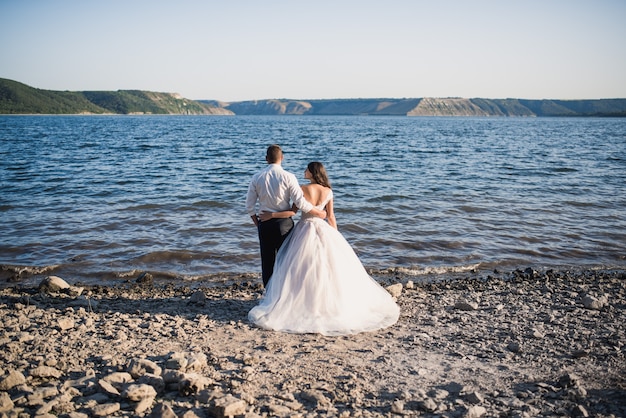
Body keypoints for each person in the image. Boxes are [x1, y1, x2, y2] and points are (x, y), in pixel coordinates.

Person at [248, 162, 400, 336]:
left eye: (306, 169)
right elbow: (331, 216)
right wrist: (336, 236)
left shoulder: (302, 188)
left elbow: (292, 212)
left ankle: (301, 302)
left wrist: (271, 215)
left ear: (312, 172)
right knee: (325, 268)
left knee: (300, 268)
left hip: (304, 229)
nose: (304, 171)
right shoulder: (328, 191)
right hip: (323, 229)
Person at [246, 145, 326, 287]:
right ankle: (284, 292)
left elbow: (249, 206)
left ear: (266, 159)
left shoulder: (257, 177)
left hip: (265, 224)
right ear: (282, 158)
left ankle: (269, 294)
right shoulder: (289, 177)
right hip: (284, 224)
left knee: (267, 262)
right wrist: (318, 212)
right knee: (286, 260)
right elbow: (300, 202)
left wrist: (258, 224)